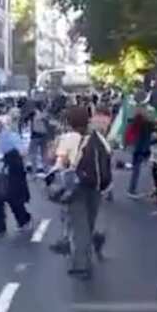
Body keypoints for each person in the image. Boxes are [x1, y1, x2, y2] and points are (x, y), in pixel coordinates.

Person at [53, 106, 111, 279]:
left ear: (69, 122)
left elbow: (61, 162)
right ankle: (92, 243)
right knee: (89, 221)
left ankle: (81, 265)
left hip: (76, 186)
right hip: (95, 185)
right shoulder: (96, 136)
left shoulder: (68, 138)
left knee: (79, 226)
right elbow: (108, 154)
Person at [0, 115, 32, 236]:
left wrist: (8, 157)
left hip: (10, 172)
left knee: (12, 198)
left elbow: (22, 152)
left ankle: (23, 221)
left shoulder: (11, 136)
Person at [125, 108, 153, 199]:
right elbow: (146, 138)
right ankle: (132, 190)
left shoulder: (135, 120)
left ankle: (131, 189)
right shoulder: (146, 123)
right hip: (140, 148)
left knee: (136, 169)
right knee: (137, 169)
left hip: (135, 146)